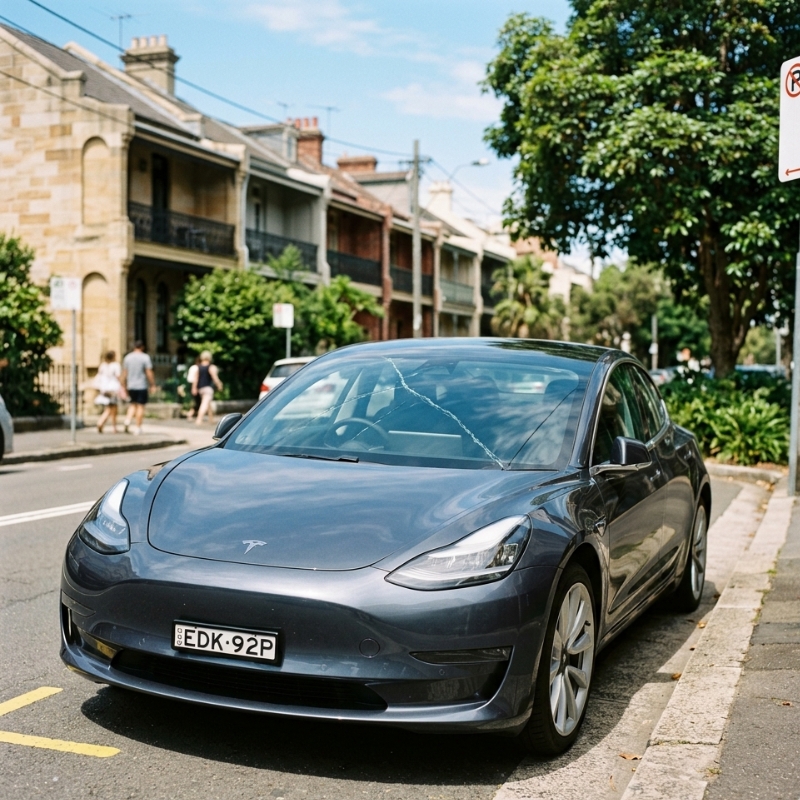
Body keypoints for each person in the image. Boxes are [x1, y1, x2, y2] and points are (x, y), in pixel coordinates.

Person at [121, 340, 156, 435]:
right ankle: (138, 427)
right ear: (142, 347)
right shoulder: (145, 357)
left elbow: (124, 373)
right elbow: (149, 372)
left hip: (131, 385)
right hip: (141, 385)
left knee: (132, 404)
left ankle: (127, 420)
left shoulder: (127, 358)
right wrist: (152, 384)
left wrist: (123, 385)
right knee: (140, 406)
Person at [192, 350, 223, 426]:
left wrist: (194, 388)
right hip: (208, 388)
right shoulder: (210, 367)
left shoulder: (198, 367)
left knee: (207, 403)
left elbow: (195, 379)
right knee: (205, 403)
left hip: (200, 388)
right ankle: (199, 419)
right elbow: (214, 377)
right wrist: (219, 384)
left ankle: (211, 419)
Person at [94, 351, 121, 433]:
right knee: (113, 409)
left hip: (104, 388)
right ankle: (107, 424)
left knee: (110, 407)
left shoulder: (103, 365)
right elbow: (118, 376)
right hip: (113, 388)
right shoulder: (116, 365)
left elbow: (99, 376)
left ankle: (105, 424)